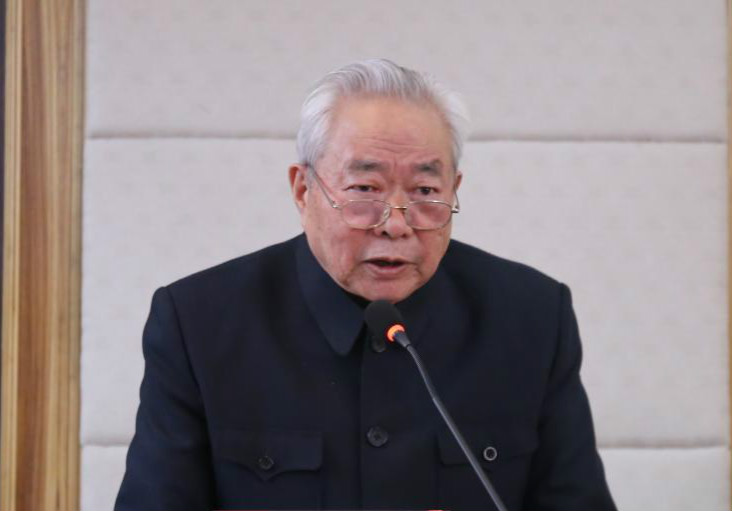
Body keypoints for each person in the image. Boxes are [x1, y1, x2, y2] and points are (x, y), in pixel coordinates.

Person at [115, 59, 616, 511]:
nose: (396, 224)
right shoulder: (200, 324)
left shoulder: (531, 319)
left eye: (425, 191)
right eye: (364, 189)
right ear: (303, 190)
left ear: (454, 191)